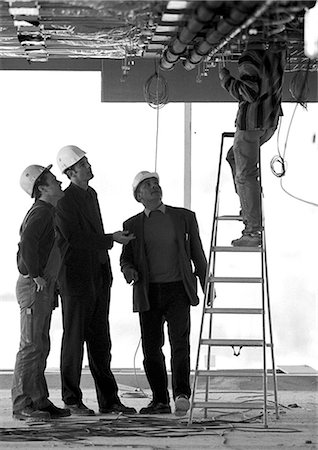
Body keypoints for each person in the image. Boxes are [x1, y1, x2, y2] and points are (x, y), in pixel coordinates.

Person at [55, 145, 136, 416]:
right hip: (76, 280)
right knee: (75, 339)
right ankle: (71, 399)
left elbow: (91, 235)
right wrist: (110, 239)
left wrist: (106, 245)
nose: (89, 167)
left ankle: (109, 400)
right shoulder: (64, 202)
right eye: (84, 164)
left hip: (97, 275)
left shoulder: (91, 194)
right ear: (71, 171)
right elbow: (74, 240)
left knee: (101, 340)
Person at [120, 171, 207, 416]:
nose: (154, 187)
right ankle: (159, 400)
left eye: (156, 183)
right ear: (139, 195)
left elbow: (197, 254)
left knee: (180, 344)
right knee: (151, 347)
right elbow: (125, 259)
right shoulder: (132, 224)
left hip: (178, 288)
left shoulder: (184, 217)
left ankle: (181, 394)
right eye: (148, 185)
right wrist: (129, 271)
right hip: (149, 292)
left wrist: (206, 283)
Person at [12, 164, 70, 421]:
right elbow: (27, 244)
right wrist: (35, 274)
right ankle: (23, 403)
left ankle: (38, 400)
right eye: (54, 181)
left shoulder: (48, 212)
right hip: (34, 285)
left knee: (40, 345)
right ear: (42, 188)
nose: (59, 183)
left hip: (42, 285)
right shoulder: (42, 212)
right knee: (31, 346)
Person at [219, 36, 287, 247]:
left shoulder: (249, 57)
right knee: (234, 158)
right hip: (269, 122)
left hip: (250, 123)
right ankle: (248, 207)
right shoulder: (276, 53)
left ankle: (252, 230)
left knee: (245, 175)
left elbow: (247, 92)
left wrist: (225, 79)